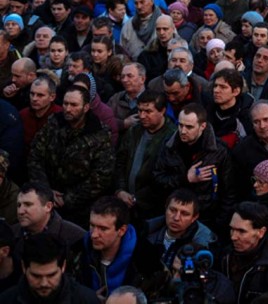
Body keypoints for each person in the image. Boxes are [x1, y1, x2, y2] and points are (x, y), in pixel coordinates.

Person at [27, 85, 114, 224]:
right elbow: (35, 156)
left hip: (81, 208)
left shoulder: (100, 134)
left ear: (85, 108)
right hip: (46, 197)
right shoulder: (53, 123)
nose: (67, 109)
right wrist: (46, 190)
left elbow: (101, 176)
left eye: (73, 105)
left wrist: (68, 198)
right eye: (65, 104)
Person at [153, 103, 235, 230]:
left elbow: (228, 193)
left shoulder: (219, 151)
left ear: (202, 126)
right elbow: (157, 179)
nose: (183, 131)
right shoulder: (169, 146)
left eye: (189, 127)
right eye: (180, 125)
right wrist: (185, 178)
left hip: (207, 219)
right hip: (173, 216)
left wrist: (218, 225)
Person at [73, 196, 167, 299]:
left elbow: (159, 294)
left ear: (121, 230)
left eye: (103, 229)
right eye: (92, 225)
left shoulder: (146, 260)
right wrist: (88, 298)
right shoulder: (78, 250)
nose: (94, 235)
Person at [115, 90, 176, 220]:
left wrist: (138, 198)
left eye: (148, 111)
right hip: (125, 202)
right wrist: (120, 190)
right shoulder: (133, 131)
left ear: (162, 111)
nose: (142, 116)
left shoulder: (172, 137)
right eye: (140, 110)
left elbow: (166, 177)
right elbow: (120, 161)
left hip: (152, 210)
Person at [219, 202, 268, 302]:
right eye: (232, 229)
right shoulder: (225, 256)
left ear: (261, 232)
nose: (233, 237)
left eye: (241, 231)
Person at [0, 233, 99, 304]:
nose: (44, 283)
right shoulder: (5, 300)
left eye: (51, 275)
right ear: (23, 267)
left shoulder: (87, 300)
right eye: (36, 276)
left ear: (63, 266)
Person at [145, 189, 216, 268]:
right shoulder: (146, 233)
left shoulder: (203, 245)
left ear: (194, 217)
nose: (176, 218)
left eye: (185, 214)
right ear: (165, 208)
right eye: (172, 210)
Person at [12, 181, 85, 253]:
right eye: (19, 205)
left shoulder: (76, 238)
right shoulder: (10, 234)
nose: (20, 211)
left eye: (28, 204)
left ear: (48, 207)